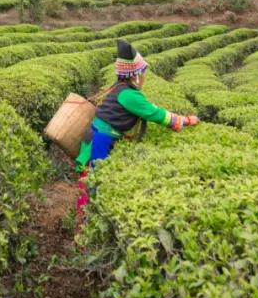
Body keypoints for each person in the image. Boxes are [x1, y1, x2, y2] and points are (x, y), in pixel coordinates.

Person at [74, 39, 199, 220]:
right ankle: (84, 229)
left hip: (96, 137)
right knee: (93, 183)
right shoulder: (129, 95)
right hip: (100, 141)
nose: (145, 76)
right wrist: (186, 120)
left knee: (91, 180)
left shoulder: (120, 88)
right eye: (143, 72)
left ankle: (84, 222)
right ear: (135, 75)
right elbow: (155, 114)